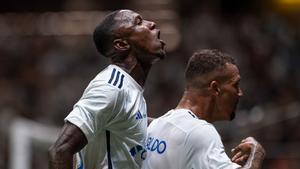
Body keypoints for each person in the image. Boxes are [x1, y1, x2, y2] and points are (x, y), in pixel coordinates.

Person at [48, 9, 166, 169]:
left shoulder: (130, 89)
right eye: (139, 22)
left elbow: (126, 123)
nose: (151, 24)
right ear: (122, 44)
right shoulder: (110, 87)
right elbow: (60, 150)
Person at [143, 49, 265, 169]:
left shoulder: (157, 125)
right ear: (215, 88)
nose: (240, 93)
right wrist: (257, 152)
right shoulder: (200, 131)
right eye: (235, 85)